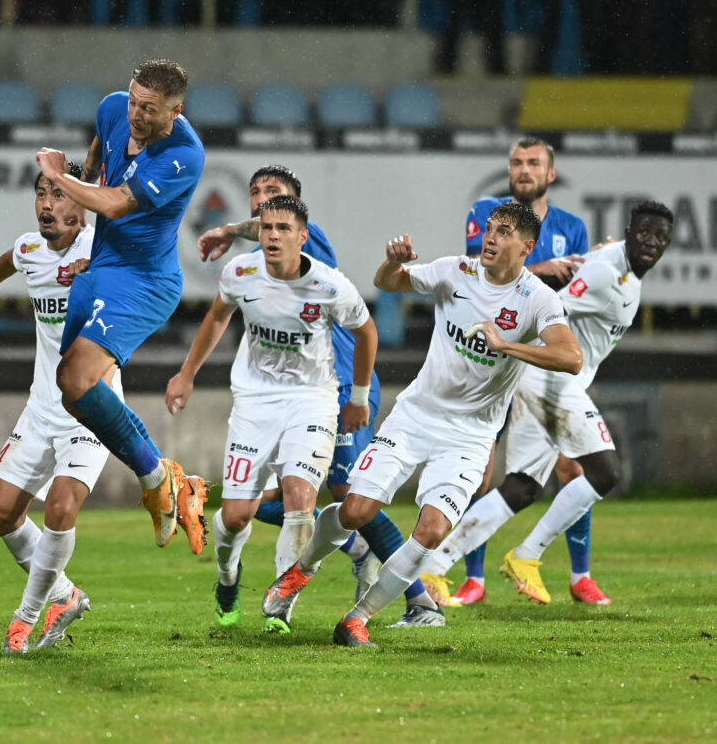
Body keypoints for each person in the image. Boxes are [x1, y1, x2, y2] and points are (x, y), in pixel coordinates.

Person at [261, 202, 583, 647]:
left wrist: (507, 346)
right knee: (356, 511)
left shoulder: (537, 300)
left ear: (527, 247)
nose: (490, 238)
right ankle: (301, 571)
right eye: (489, 229)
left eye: (503, 232)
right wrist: (394, 262)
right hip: (417, 415)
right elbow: (386, 283)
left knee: (431, 531)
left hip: (469, 436)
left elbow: (571, 357)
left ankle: (357, 619)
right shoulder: (456, 271)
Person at [197, 165, 447, 627]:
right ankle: (351, 546)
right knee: (295, 500)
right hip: (289, 396)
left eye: (275, 194)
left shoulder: (308, 244)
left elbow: (359, 325)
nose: (262, 202)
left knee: (350, 491)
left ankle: (419, 597)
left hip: (343, 386)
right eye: (256, 195)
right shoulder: (255, 264)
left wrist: (230, 230)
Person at [420, 202, 674, 606]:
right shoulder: (606, 272)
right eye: (643, 231)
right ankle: (527, 555)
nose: (650, 241)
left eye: (660, 237)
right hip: (550, 378)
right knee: (605, 472)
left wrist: (595, 254)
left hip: (544, 381)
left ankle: (434, 565)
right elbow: (554, 307)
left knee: (521, 488)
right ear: (629, 230)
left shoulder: (617, 267)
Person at [167, 195, 378, 630]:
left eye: (284, 228)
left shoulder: (329, 285)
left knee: (301, 499)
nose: (273, 236)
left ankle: (281, 606)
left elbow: (366, 331)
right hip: (255, 402)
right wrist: (186, 374)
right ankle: (227, 578)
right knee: (237, 514)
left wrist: (357, 396)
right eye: (267, 228)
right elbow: (216, 317)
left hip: (312, 399)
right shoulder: (240, 272)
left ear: (303, 237)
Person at [33, 58, 207, 555]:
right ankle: (169, 479)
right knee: (70, 390)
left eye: (148, 108)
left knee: (75, 379)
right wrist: (83, 182)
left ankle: (157, 481)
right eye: (133, 100)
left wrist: (59, 179)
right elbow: (100, 149)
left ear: (175, 111)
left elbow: (114, 203)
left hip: (145, 281)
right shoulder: (113, 109)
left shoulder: (183, 155)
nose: (134, 113)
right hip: (103, 266)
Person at [0, 162, 112, 654]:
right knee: (1, 512)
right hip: (41, 407)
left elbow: (134, 271)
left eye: (59, 194)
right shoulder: (31, 248)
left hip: (92, 405)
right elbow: (10, 259)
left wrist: (93, 269)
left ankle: (25, 618)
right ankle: (64, 594)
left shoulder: (102, 247)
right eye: (41, 193)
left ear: (82, 203)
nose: (46, 204)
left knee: (60, 507)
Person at [454, 136, 594, 605]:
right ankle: (473, 579)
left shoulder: (572, 226)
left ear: (551, 174)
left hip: (539, 363)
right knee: (480, 471)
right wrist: (544, 266)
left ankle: (580, 575)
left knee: (572, 466)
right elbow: (482, 265)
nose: (524, 170)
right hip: (492, 357)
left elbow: (576, 292)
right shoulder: (489, 211)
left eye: (534, 163)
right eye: (517, 162)